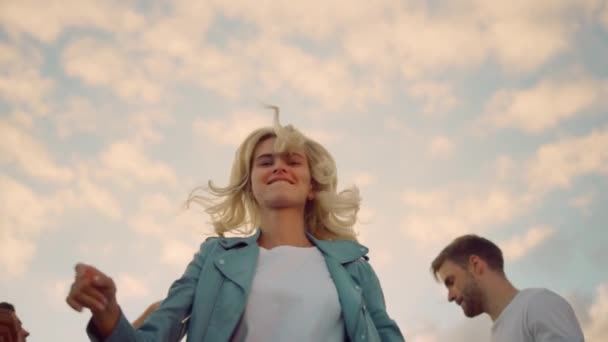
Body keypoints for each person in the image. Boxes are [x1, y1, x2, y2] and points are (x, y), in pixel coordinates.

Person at [66, 107, 404, 342]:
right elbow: (156, 335)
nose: (279, 167)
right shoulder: (214, 257)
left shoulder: (353, 267)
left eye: (293, 161)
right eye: (265, 162)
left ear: (313, 186)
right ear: (249, 185)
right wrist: (107, 311)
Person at [430, 234, 584, 342]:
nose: (449, 297)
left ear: (476, 265)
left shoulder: (539, 304)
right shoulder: (497, 335)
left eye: (450, 281)